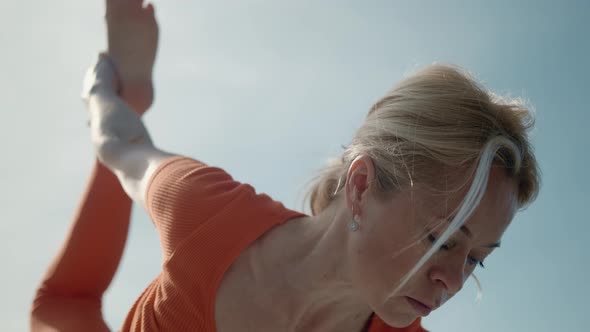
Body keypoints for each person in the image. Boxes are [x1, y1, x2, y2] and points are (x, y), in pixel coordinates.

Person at [31, 0, 540, 331]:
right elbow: (121, 144)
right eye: (442, 238)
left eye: (476, 258)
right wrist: (106, 94)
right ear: (361, 186)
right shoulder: (207, 211)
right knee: (60, 306)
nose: (452, 280)